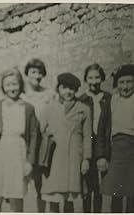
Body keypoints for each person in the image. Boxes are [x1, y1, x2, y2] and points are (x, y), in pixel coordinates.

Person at [0, 68, 40, 212]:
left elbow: (34, 135)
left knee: (16, 194)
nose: (12, 88)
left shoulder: (28, 108)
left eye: (15, 84)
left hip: (18, 152)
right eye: (8, 85)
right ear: (2, 87)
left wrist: (30, 161)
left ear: (20, 84)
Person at [40, 73, 92, 212]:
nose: (68, 92)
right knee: (54, 197)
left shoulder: (84, 109)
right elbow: (40, 130)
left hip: (74, 159)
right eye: (64, 88)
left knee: (70, 198)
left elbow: (88, 136)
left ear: (76, 90)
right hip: (54, 159)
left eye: (72, 89)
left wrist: (86, 159)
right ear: (58, 88)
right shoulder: (49, 108)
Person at [21, 58, 54, 212]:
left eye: (40, 72)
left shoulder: (49, 94)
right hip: (26, 142)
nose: (37, 75)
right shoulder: (21, 95)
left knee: (42, 181)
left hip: (44, 142)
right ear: (27, 74)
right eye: (33, 72)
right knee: (25, 180)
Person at [100, 64, 134, 212]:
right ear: (116, 84)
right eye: (121, 82)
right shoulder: (111, 101)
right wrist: (102, 156)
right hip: (116, 152)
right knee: (116, 193)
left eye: (129, 82)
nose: (125, 87)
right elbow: (101, 131)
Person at [78, 63, 111, 212]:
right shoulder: (81, 100)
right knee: (87, 189)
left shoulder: (108, 98)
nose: (94, 81)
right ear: (86, 79)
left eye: (97, 77)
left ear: (102, 78)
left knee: (99, 189)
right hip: (87, 146)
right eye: (90, 78)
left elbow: (108, 126)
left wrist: (104, 154)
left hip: (102, 146)